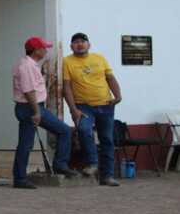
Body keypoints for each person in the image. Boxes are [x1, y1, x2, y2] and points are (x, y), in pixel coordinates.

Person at [11, 37, 77, 189]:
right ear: (37, 50)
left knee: (25, 143)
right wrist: (36, 112)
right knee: (64, 131)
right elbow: (29, 91)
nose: (46, 51)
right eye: (44, 48)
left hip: (30, 107)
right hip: (31, 107)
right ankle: (59, 164)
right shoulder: (27, 66)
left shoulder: (28, 64)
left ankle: (20, 177)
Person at [63, 32, 122, 186]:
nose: (80, 44)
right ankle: (92, 163)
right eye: (76, 42)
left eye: (83, 41)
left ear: (89, 45)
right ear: (71, 46)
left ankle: (107, 177)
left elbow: (110, 78)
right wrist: (73, 108)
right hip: (83, 106)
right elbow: (66, 87)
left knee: (107, 140)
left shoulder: (100, 58)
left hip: (106, 104)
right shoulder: (67, 62)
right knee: (83, 130)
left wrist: (118, 95)